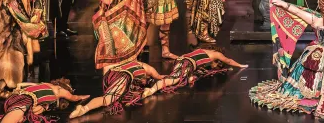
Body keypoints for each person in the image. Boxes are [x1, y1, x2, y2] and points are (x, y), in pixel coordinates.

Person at [68, 49, 246, 117]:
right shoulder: (144, 68)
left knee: (181, 77)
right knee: (109, 99)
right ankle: (84, 109)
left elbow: (107, 69)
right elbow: (160, 77)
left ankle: (85, 107)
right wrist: (241, 65)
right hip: (184, 64)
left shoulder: (130, 64)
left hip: (112, 75)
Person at [0, 79, 88, 123]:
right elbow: (73, 97)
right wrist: (82, 97)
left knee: (20, 114)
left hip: (14, 97)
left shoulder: (48, 85)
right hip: (25, 99)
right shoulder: (60, 90)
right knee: (17, 112)